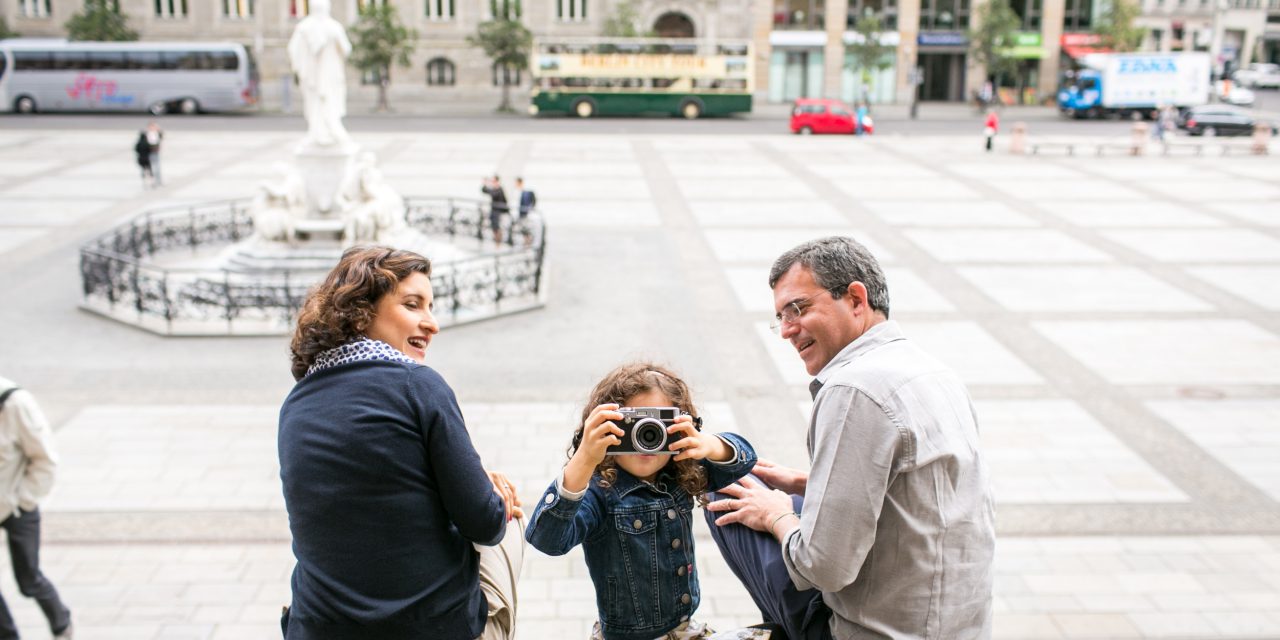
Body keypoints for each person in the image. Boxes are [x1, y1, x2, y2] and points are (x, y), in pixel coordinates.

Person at [703, 236, 995, 640]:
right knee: (779, 494)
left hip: (875, 631)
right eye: (780, 317)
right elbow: (924, 493)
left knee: (727, 490)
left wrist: (775, 515)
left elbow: (823, 566)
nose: (787, 330)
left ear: (856, 299)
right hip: (958, 626)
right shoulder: (933, 372)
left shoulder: (854, 390)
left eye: (797, 309)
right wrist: (810, 482)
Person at [279, 246, 525, 640]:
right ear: (360, 312)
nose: (432, 324)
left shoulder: (297, 401)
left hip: (318, 628)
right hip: (428, 628)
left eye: (431, 306)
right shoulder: (418, 384)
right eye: (413, 305)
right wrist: (491, 492)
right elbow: (483, 522)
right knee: (510, 516)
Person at [525, 363, 758, 640]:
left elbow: (745, 459)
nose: (645, 440)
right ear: (606, 429)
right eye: (632, 426)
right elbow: (547, 539)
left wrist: (709, 444)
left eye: (657, 427)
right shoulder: (602, 493)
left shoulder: (680, 473)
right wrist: (585, 458)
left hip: (684, 629)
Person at [0, 378, 73, 640]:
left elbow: (45, 459)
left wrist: (24, 500)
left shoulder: (15, 403)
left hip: (18, 502)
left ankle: (61, 623)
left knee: (28, 579)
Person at [287, 0, 352, 148]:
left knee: (331, 102)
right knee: (314, 103)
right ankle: (316, 132)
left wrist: (336, 39)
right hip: (313, 76)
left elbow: (346, 49)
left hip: (331, 73)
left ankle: (333, 128)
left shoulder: (334, 27)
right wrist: (302, 67)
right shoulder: (304, 27)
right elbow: (293, 50)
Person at [480, 175, 509, 247]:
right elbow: (484, 190)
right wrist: (485, 184)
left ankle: (498, 244)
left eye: (494, 181)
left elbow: (494, 194)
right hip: (494, 211)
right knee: (494, 227)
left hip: (498, 212)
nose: (493, 183)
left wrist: (488, 186)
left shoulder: (499, 189)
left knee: (497, 228)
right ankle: (497, 243)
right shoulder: (495, 189)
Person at [514, 177, 536, 247]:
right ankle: (527, 241)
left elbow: (527, 203)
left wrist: (526, 211)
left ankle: (528, 241)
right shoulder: (521, 191)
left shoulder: (525, 192)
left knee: (525, 228)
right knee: (523, 228)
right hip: (522, 213)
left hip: (524, 214)